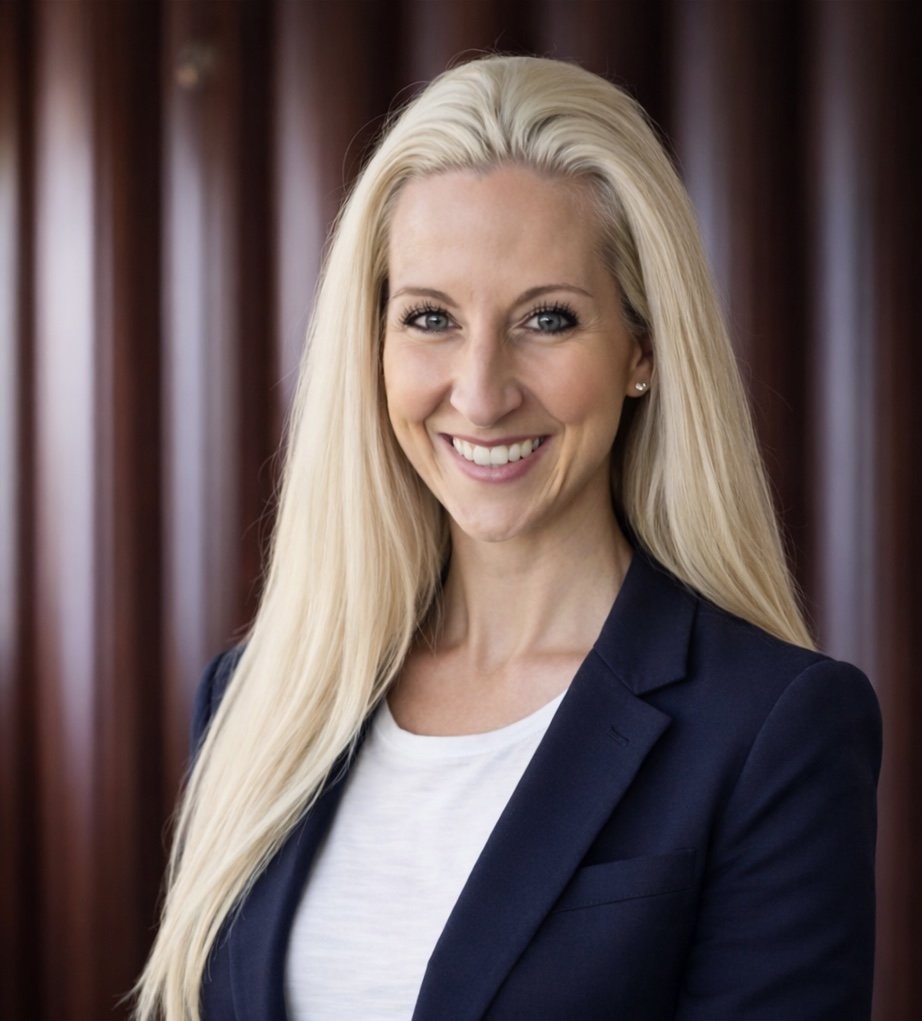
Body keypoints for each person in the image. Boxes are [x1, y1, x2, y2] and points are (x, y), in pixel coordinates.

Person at [135, 55, 881, 1021]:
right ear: (373, 347)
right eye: (431, 318)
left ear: (642, 351)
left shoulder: (771, 728)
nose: (481, 392)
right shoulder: (258, 698)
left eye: (547, 318)